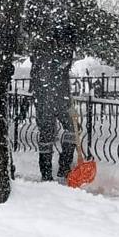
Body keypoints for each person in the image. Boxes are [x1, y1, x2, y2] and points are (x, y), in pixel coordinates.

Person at [30, 19, 78, 181]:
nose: (69, 47)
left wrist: (66, 98)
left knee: (72, 129)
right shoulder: (47, 53)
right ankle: (48, 173)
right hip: (47, 99)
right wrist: (48, 95)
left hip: (59, 98)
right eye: (68, 43)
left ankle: (63, 168)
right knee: (48, 135)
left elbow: (61, 76)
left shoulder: (62, 51)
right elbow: (42, 76)